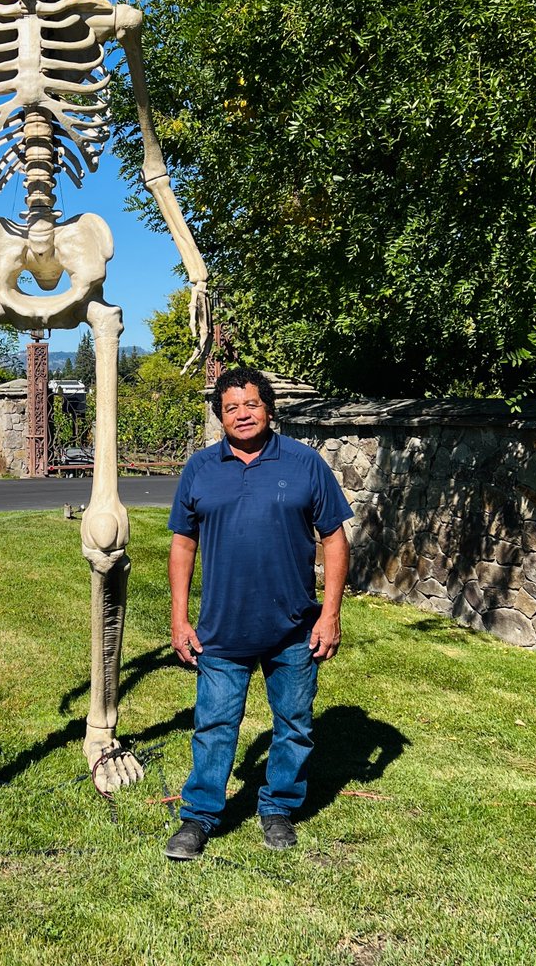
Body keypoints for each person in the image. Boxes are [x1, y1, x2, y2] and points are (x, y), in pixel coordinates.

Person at [163, 366, 352, 860]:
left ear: (269, 409)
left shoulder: (305, 463)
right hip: (222, 631)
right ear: (220, 417)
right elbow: (182, 544)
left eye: (250, 404)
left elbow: (334, 539)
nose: (242, 414)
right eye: (231, 408)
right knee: (214, 726)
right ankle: (199, 816)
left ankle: (278, 808)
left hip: (293, 628)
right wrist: (179, 618)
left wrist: (330, 614)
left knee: (294, 724)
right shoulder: (201, 469)